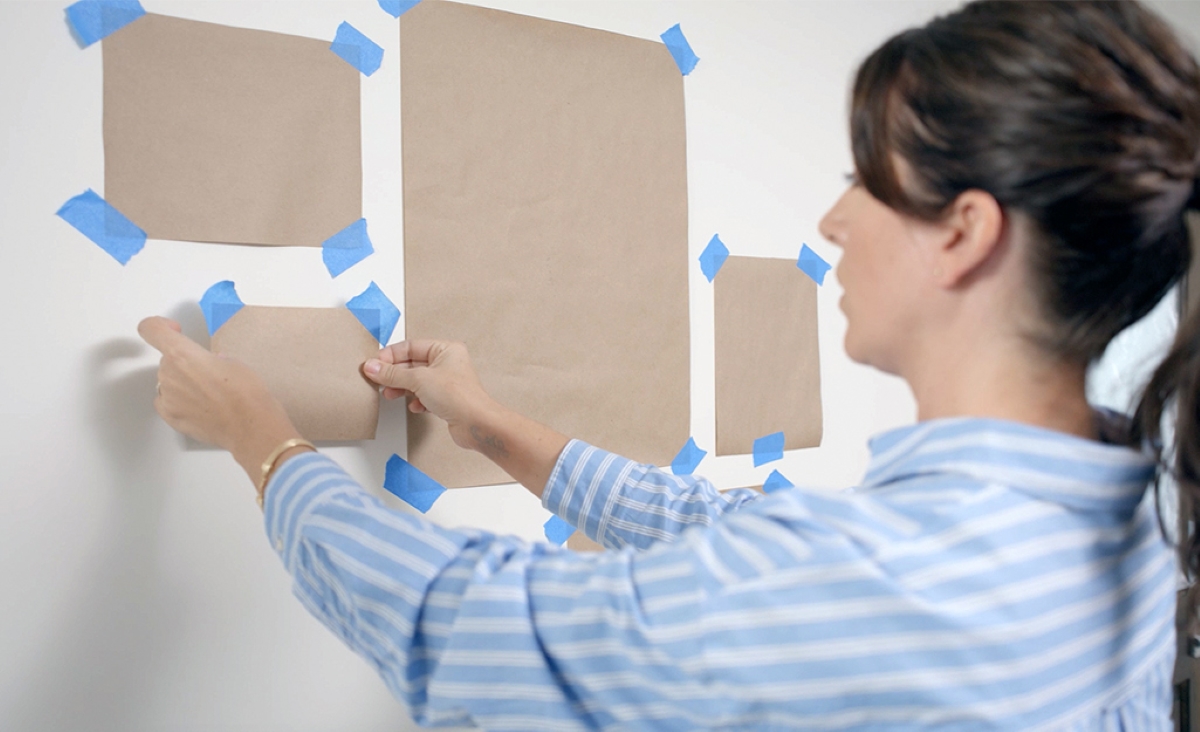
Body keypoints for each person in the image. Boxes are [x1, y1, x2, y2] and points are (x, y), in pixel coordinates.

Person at [138, 1, 1200, 728]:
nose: (832, 220)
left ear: (964, 233)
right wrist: (494, 424)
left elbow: (468, 624)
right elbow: (726, 540)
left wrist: (260, 438)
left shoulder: (895, 577)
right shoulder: (1134, 516)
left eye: (866, 183)